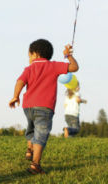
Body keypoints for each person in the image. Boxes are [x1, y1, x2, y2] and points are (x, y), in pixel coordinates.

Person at [9, 39, 78, 174]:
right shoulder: (53, 66)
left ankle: (30, 149)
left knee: (31, 128)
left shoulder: (29, 69)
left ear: (35, 54)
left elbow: (20, 81)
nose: (29, 59)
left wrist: (15, 96)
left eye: (29, 56)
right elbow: (74, 67)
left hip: (28, 106)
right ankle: (35, 165)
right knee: (41, 134)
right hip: (45, 107)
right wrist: (68, 55)